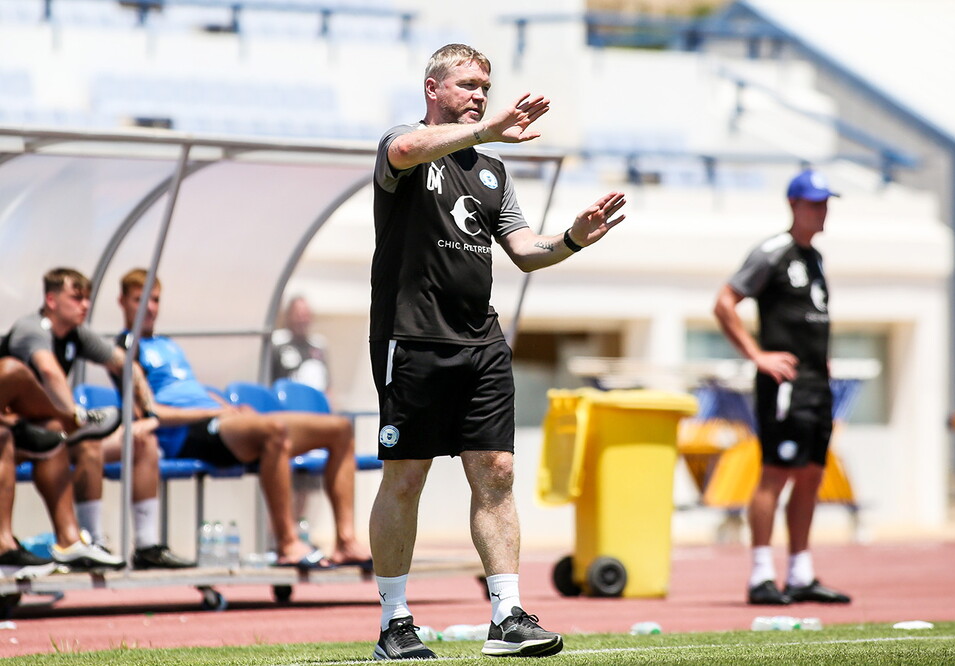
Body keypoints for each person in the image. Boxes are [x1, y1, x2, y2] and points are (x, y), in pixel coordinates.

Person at [368, 43, 626, 660]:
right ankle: (394, 622)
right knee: (407, 477)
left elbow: (526, 250)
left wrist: (571, 239)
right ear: (434, 88)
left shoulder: (492, 172)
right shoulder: (402, 143)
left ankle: (507, 616)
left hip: (481, 341)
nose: (479, 93)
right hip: (414, 337)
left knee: (498, 474)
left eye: (485, 85)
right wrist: (485, 127)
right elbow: (403, 152)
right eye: (467, 84)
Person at [115, 268, 370, 568]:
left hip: (218, 421)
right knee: (274, 430)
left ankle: (346, 541)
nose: (151, 307)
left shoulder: (168, 345)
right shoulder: (124, 349)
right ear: (123, 302)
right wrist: (215, 411)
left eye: (156, 299)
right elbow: (149, 412)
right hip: (187, 433)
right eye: (141, 299)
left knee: (340, 429)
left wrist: (229, 407)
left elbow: (196, 392)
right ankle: (287, 542)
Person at [713, 168, 852, 606]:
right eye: (814, 202)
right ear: (794, 204)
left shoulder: (816, 258)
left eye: (826, 201)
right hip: (785, 384)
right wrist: (758, 356)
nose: (822, 209)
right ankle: (760, 576)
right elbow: (724, 302)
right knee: (775, 473)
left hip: (816, 384)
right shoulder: (773, 251)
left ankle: (801, 573)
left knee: (812, 476)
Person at [2, 268, 193, 569]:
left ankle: (125, 544)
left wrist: (147, 408)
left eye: (88, 299)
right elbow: (50, 372)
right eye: (76, 298)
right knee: (65, 434)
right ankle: (74, 539)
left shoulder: (76, 334)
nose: (85, 306)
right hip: (16, 429)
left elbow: (124, 363)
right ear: (51, 300)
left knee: (132, 441)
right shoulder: (32, 329)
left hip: (46, 430)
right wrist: (75, 416)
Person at [0, 356, 126, 576]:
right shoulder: (30, 331)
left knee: (52, 430)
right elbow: (48, 368)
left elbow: (119, 358)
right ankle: (72, 421)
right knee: (11, 372)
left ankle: (70, 541)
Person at [270, 295, 332, 535]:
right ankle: (281, 533)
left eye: (306, 313)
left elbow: (328, 387)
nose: (302, 318)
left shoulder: (318, 346)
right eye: (298, 313)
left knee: (307, 482)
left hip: (314, 425)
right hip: (286, 425)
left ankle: (301, 531)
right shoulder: (277, 344)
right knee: (285, 479)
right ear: (289, 315)